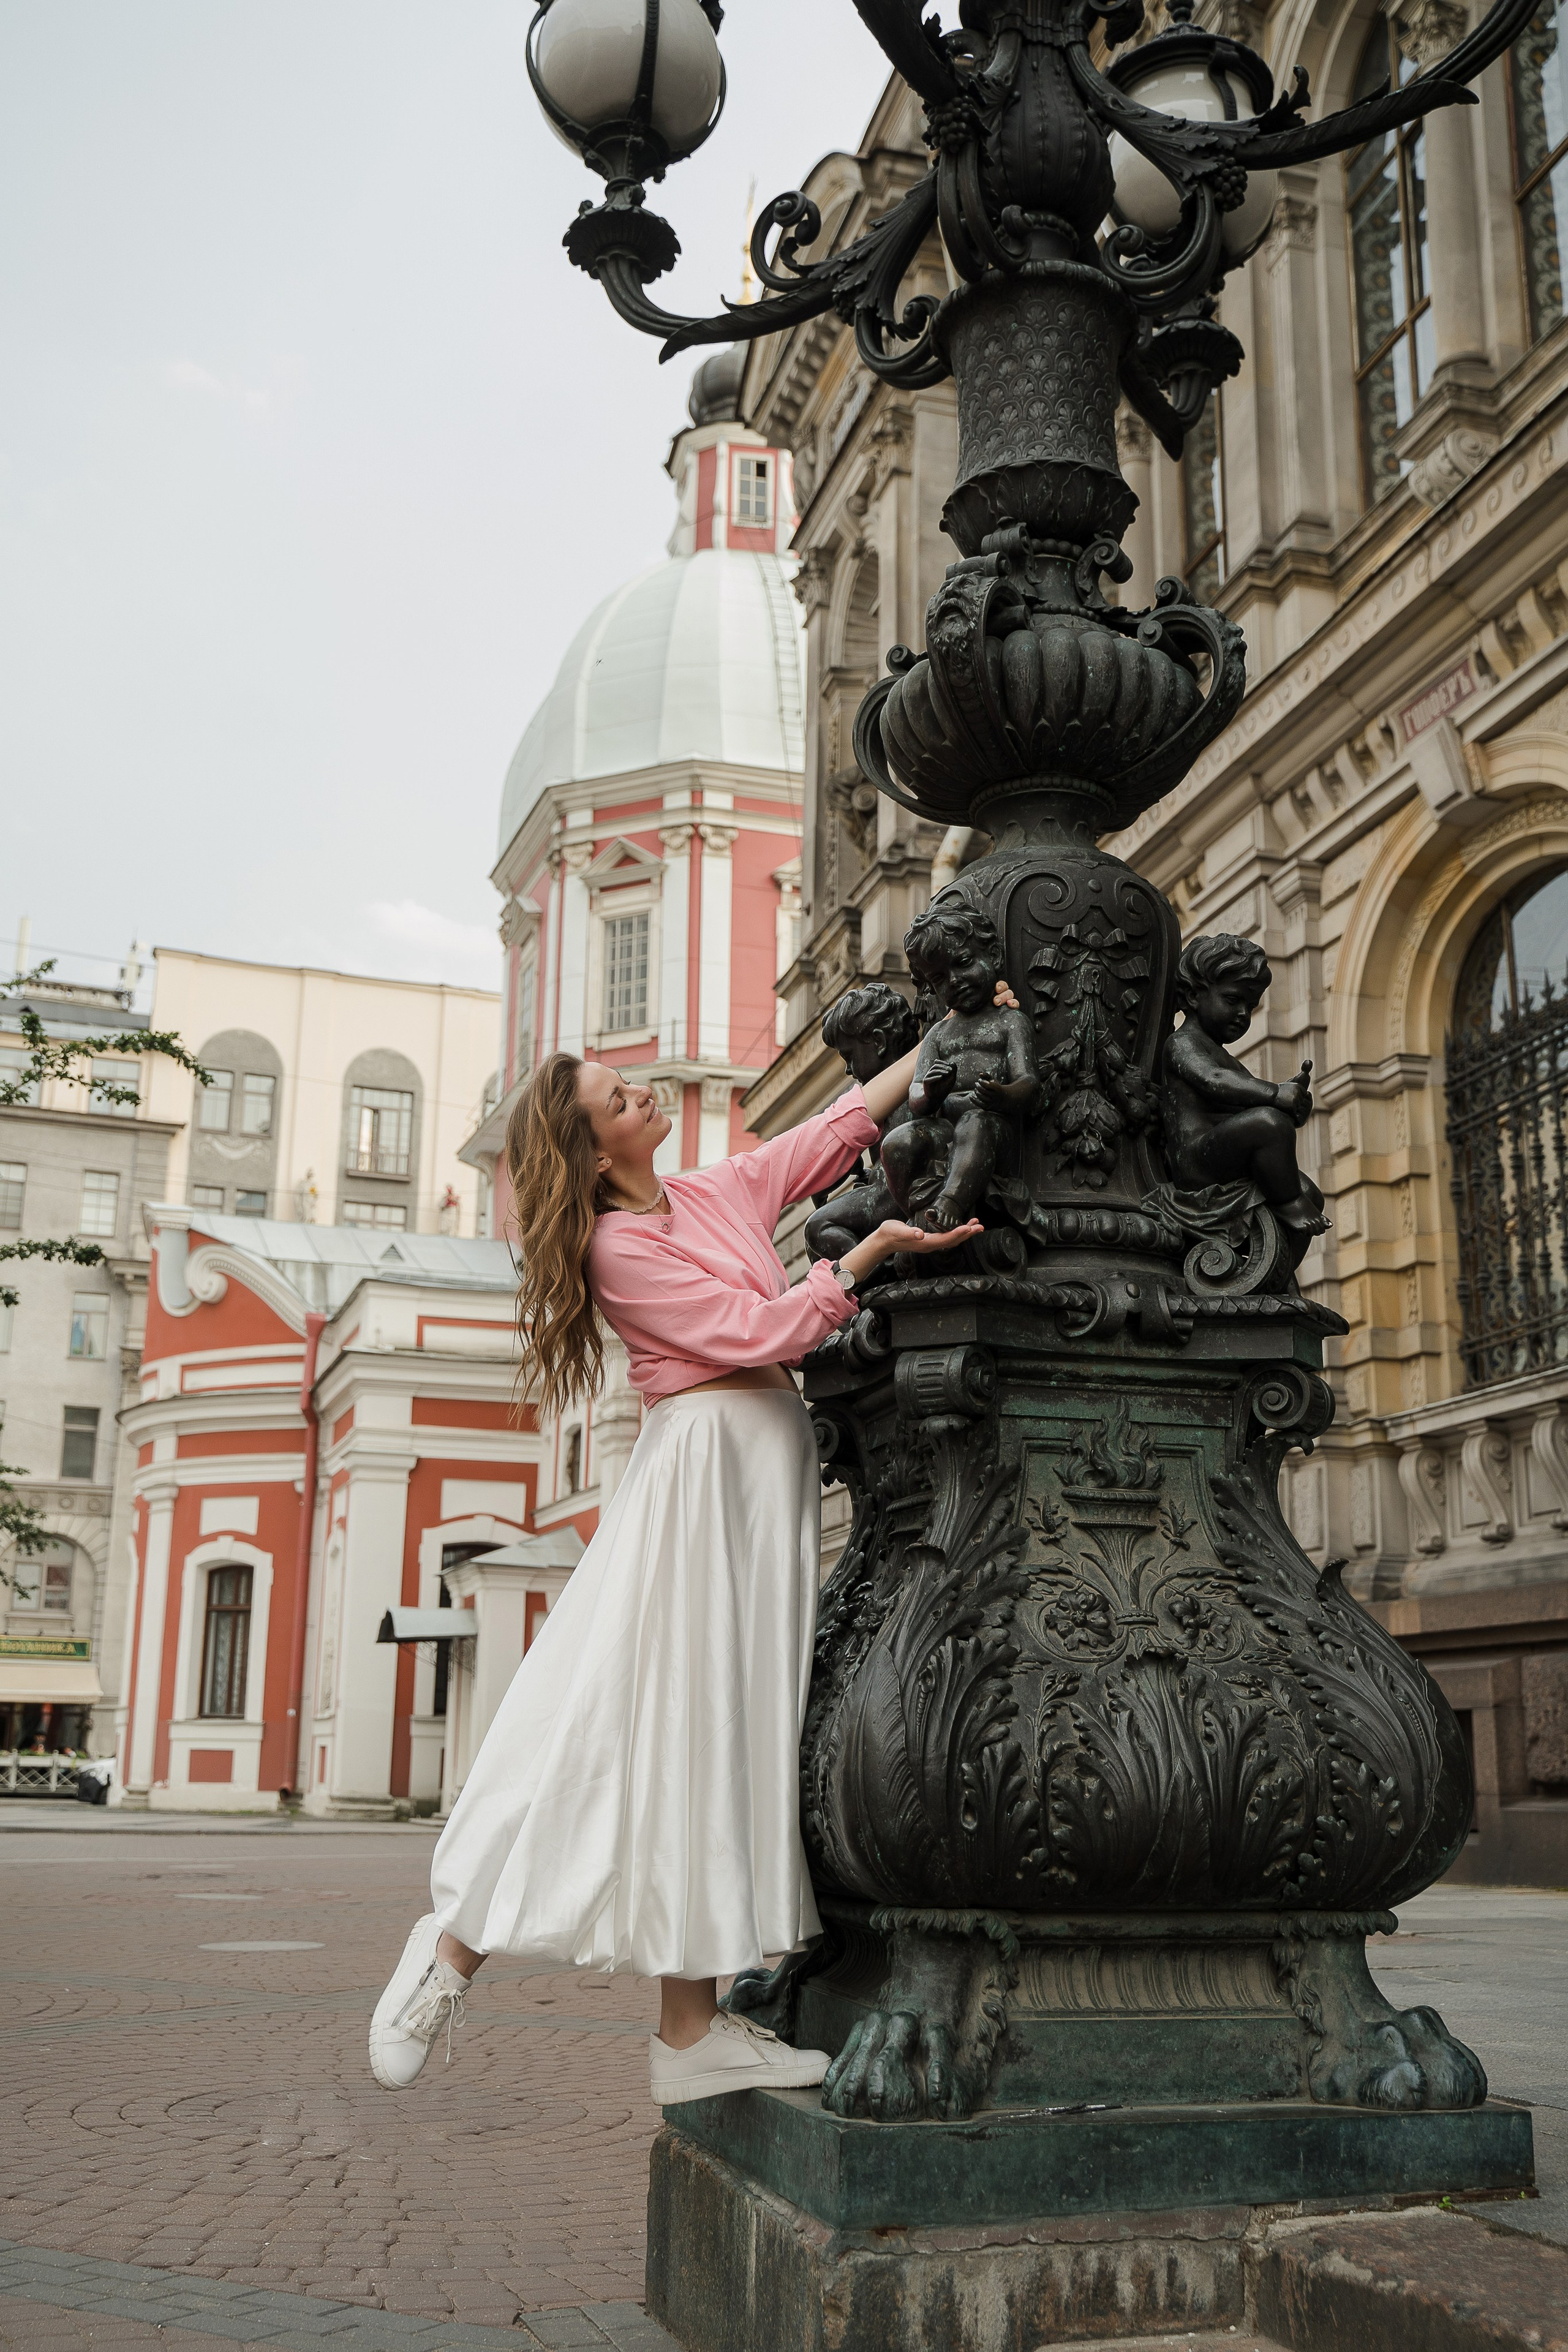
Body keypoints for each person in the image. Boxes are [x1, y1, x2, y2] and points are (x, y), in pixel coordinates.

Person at [368, 1000, 1011, 2106]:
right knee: (615, 1712)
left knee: (713, 1743)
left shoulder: (707, 1193)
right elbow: (758, 1333)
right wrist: (863, 1256)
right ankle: (454, 1942)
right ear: (591, 1147)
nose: (645, 1094)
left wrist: (946, 1035)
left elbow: (833, 1130)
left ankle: (689, 2035)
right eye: (620, 1099)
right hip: (702, 1478)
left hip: (757, 1482)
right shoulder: (622, 1248)